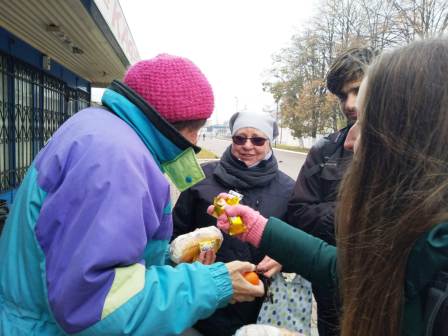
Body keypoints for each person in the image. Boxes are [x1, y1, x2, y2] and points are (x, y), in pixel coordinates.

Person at [0, 54, 264, 336]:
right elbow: (97, 307)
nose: (196, 142)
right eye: (196, 130)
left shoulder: (100, 129)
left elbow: (100, 259)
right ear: (175, 126)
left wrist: (169, 262)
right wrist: (213, 284)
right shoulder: (116, 161)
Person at [210, 38, 448, 336]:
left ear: (422, 128)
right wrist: (260, 229)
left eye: (372, 123)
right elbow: (349, 271)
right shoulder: (423, 228)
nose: (349, 141)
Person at [173, 111, 303, 336]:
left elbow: (300, 243)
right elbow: (176, 233)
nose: (247, 145)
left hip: (257, 303)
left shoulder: (289, 189)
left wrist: (284, 258)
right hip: (204, 298)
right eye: (239, 138)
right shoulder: (203, 178)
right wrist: (187, 259)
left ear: (269, 142)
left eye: (258, 140)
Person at [286, 47, 376, 335]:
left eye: (357, 91)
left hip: (392, 289)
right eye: (341, 96)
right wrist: (352, 215)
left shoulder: (415, 145)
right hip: (331, 290)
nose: (349, 104)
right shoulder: (324, 150)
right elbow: (299, 212)